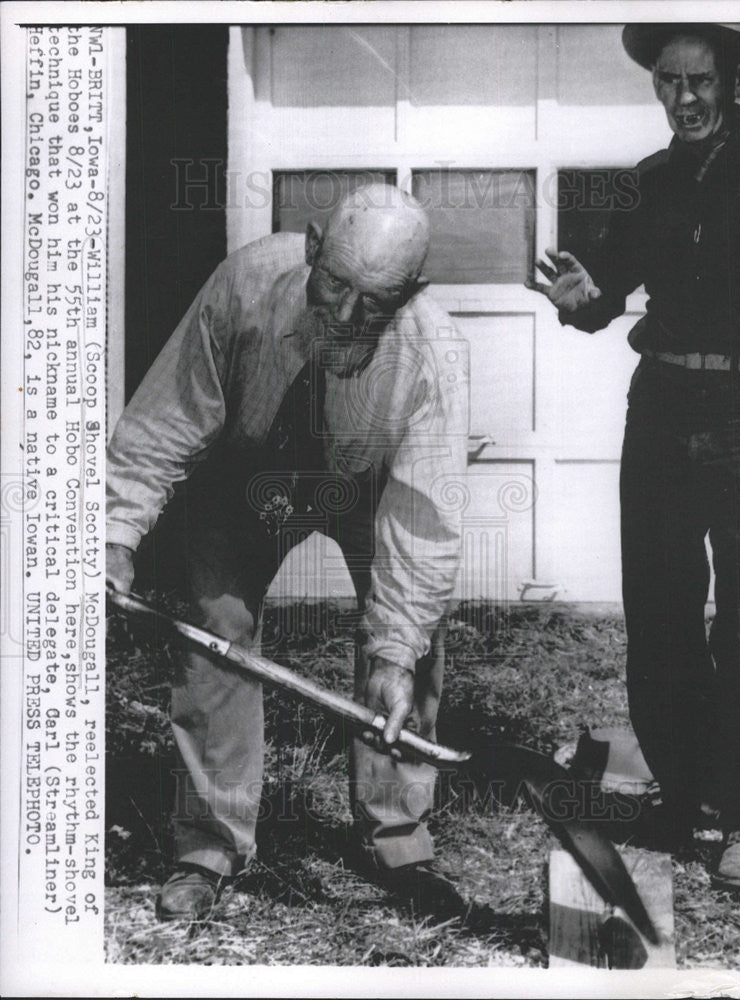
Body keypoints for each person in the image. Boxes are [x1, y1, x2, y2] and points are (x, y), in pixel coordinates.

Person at [106, 184, 469, 919]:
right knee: (213, 627)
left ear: (412, 292)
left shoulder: (435, 356)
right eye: (333, 283)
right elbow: (166, 420)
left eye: (373, 301)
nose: (343, 314)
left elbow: (419, 525)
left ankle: (397, 835)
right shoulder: (243, 284)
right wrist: (115, 534)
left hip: (370, 487)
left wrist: (395, 653)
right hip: (243, 473)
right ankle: (209, 844)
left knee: (408, 648)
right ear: (310, 248)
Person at [534, 24, 740, 889]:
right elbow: (604, 289)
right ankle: (686, 791)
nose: (683, 99)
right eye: (667, 82)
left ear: (735, 77)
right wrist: (579, 299)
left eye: (699, 81)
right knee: (661, 614)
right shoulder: (650, 182)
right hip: (662, 407)